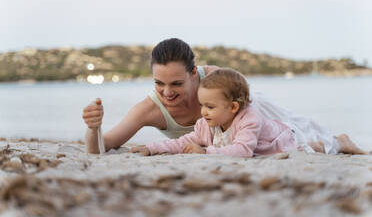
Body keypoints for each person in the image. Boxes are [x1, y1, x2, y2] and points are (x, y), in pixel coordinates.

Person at [82, 38, 366, 155]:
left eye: (177, 83)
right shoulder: (149, 109)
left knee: (294, 132)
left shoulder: (218, 79)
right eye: (159, 83)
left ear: (195, 73)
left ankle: (338, 141)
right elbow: (102, 146)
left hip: (256, 113)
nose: (167, 93)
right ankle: (331, 143)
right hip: (231, 144)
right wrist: (93, 128)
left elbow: (253, 125)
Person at [130, 68, 299, 157]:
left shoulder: (249, 119)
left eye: (210, 107)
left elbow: (243, 151)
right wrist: (152, 148)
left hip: (281, 140)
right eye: (202, 105)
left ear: (233, 107)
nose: (203, 112)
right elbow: (182, 142)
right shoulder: (205, 124)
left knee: (301, 148)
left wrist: (205, 152)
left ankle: (315, 145)